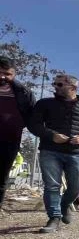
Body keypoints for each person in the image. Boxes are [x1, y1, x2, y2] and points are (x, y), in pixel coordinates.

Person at [28, 74, 79, 233]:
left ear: (74, 88)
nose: (55, 87)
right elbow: (34, 125)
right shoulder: (44, 104)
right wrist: (51, 135)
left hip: (77, 153)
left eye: (60, 84)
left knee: (77, 185)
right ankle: (54, 218)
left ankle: (63, 204)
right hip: (50, 151)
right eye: (55, 84)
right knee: (52, 185)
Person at [0, 56, 36, 212]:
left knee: (1, 178)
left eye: (7, 74)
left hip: (10, 141)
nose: (2, 77)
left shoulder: (23, 92)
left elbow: (33, 115)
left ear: (14, 74)